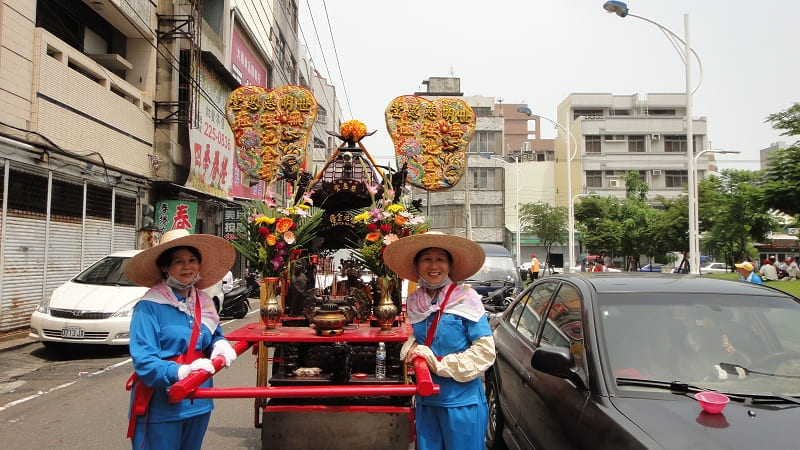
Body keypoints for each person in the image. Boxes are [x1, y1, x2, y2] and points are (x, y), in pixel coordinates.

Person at [124, 229, 237, 449]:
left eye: (192, 260)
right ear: (165, 268)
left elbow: (214, 335)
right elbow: (144, 361)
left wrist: (220, 345)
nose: (187, 266)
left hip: (200, 400)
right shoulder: (149, 307)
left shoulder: (203, 301)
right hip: (162, 405)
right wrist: (181, 371)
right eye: (179, 261)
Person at [383, 232, 496, 450]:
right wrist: (413, 346)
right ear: (417, 265)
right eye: (427, 259)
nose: (433, 266)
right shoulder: (417, 300)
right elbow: (421, 335)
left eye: (440, 259)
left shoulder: (467, 298)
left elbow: (485, 351)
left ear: (450, 265)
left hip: (462, 403)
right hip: (427, 400)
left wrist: (439, 364)